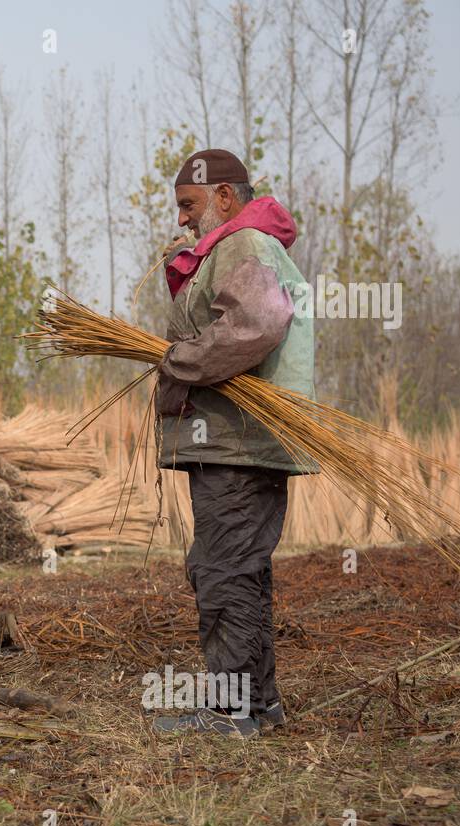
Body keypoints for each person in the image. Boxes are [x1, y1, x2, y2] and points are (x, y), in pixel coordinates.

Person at [153, 147, 318, 738]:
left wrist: (176, 359)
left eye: (188, 205)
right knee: (241, 570)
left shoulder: (242, 244)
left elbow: (257, 322)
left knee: (221, 570)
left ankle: (230, 712)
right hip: (243, 443)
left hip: (238, 443)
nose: (181, 219)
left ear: (224, 196)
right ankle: (259, 705)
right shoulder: (246, 245)